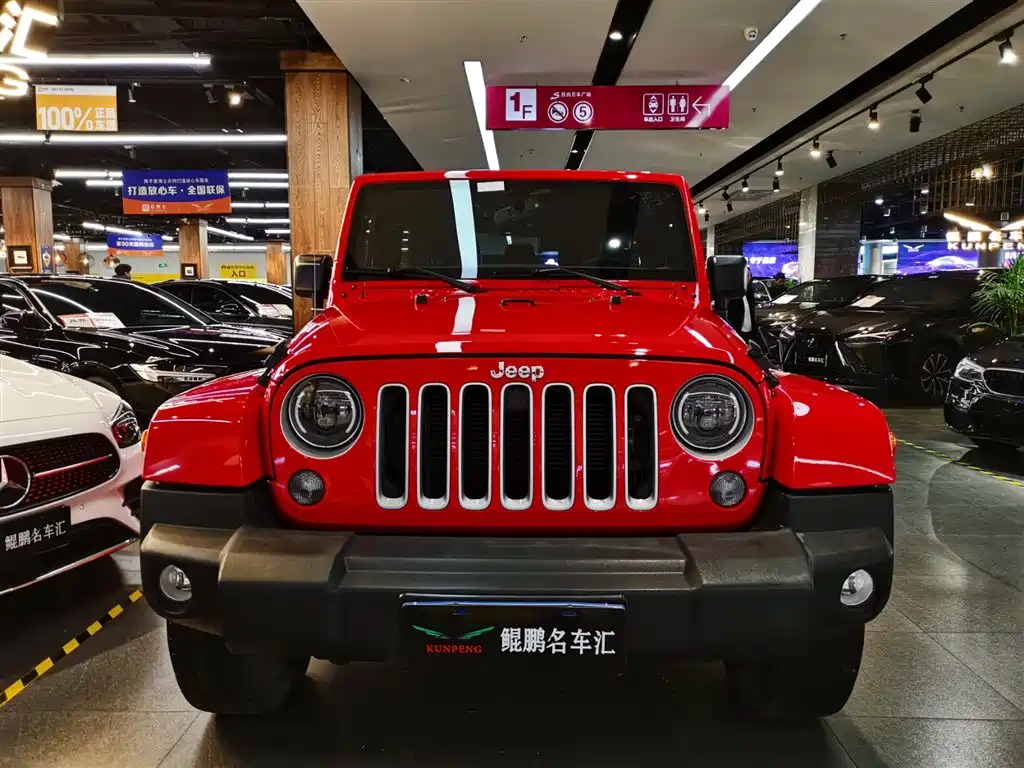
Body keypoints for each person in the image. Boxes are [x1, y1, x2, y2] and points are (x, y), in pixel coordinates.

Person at [726, 264, 758, 343]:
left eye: (749, 275)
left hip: (750, 332)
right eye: (747, 275)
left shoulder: (750, 292)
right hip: (737, 332)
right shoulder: (733, 294)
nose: (749, 278)